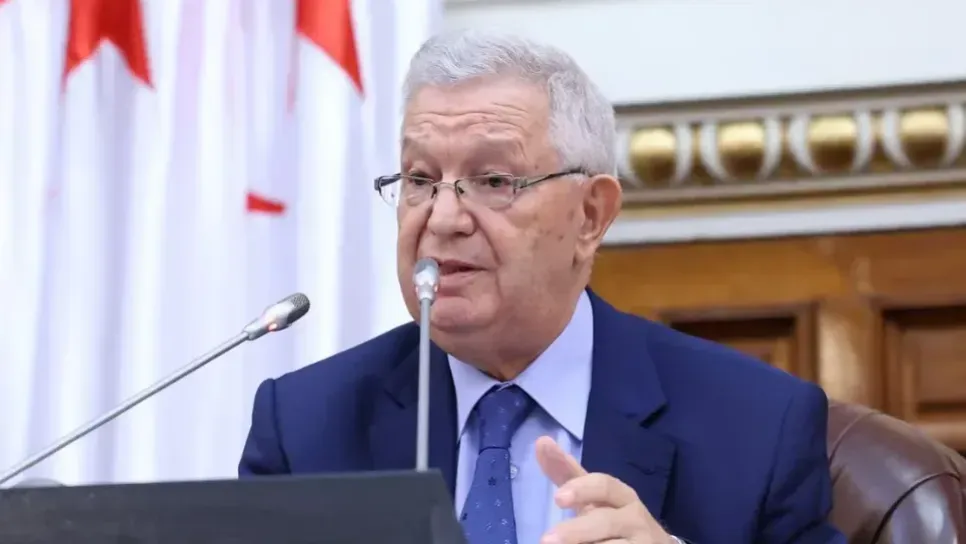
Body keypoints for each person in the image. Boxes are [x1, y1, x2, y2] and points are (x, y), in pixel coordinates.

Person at [239, 29, 846, 544]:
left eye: (493, 180)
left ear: (590, 216)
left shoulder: (755, 427)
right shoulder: (306, 429)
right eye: (420, 179)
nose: (443, 219)